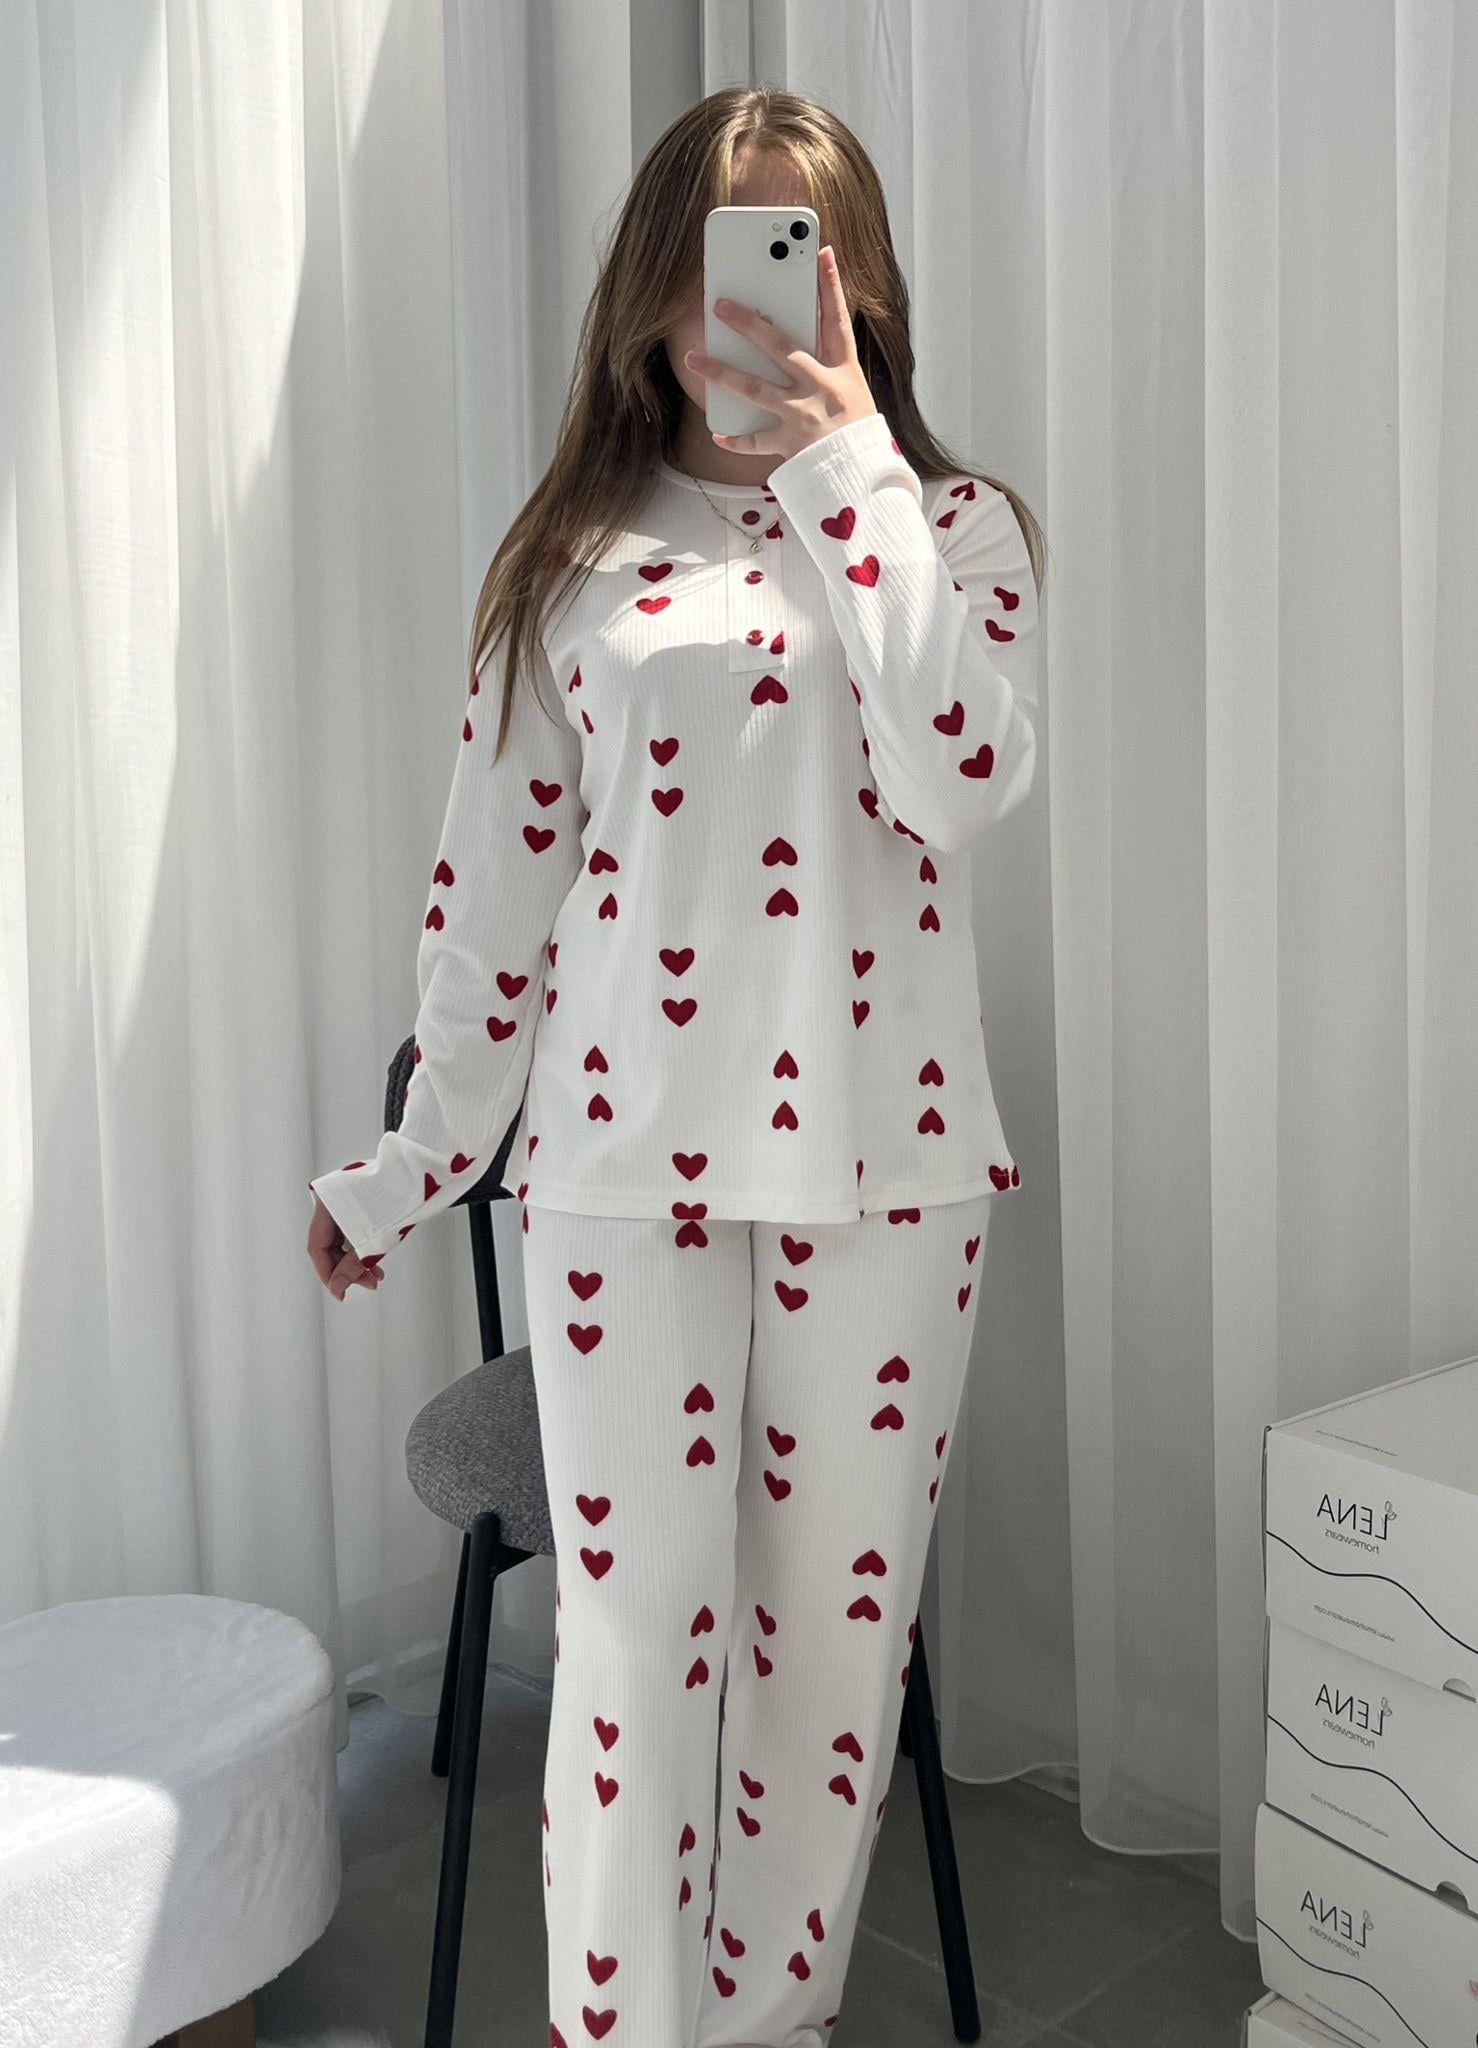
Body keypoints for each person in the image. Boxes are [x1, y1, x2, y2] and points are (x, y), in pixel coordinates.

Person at [306, 83, 1043, 2048]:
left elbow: (963, 780)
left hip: (892, 1179)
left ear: (861, 287)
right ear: (651, 288)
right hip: (620, 1176)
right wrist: (409, 1166)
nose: (759, 303)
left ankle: (770, 2028)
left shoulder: (950, 529)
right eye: (726, 257)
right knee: (633, 1658)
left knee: (828, 1671)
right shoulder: (569, 558)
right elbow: (489, 903)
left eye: (801, 252)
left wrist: (848, 473)